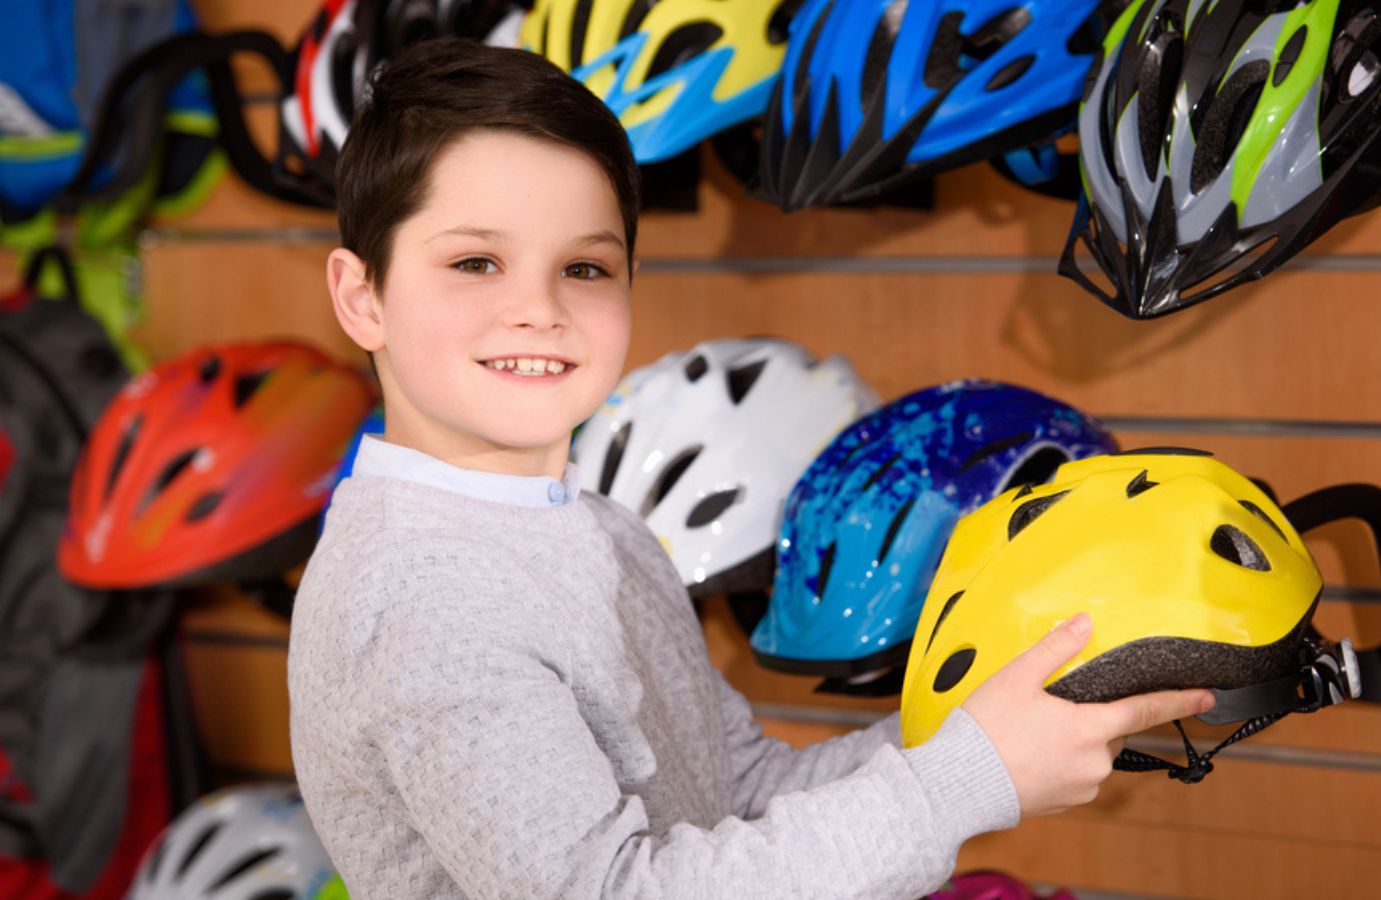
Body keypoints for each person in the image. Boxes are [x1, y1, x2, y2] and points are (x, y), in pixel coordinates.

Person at [287, 37, 1215, 900]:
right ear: (360, 297)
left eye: (585, 268)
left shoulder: (589, 526)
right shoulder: (418, 599)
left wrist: (1000, 728)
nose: (538, 310)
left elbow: (739, 793)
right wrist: (967, 776)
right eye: (477, 262)